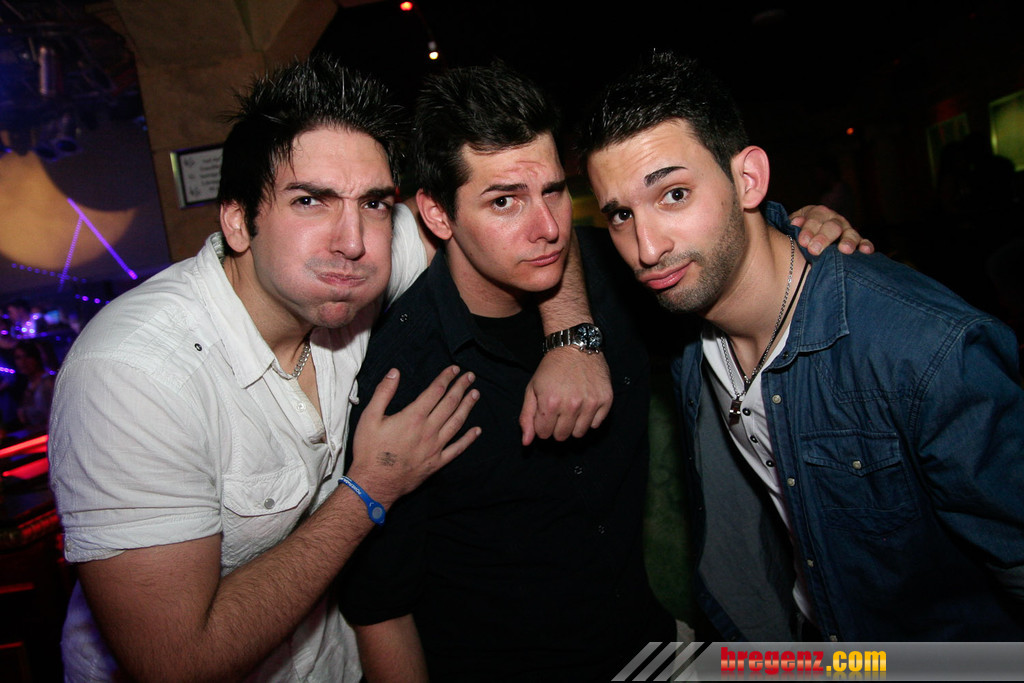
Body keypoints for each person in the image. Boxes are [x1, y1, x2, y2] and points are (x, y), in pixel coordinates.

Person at [48, 55, 601, 682]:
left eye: (374, 202)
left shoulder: (356, 261)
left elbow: (529, 230)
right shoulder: (133, 375)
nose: (353, 240)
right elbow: (177, 660)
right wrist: (370, 489)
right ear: (238, 220)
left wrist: (572, 338)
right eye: (310, 200)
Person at [337, 63, 865, 681]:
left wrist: (799, 229)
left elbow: (726, 254)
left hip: (649, 648)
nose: (547, 229)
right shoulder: (407, 368)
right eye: (504, 201)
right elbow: (381, 607)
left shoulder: (622, 272)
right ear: (437, 214)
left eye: (554, 191)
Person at [578, 52, 1024, 641]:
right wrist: (568, 341)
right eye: (620, 214)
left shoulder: (926, 350)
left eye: (675, 195)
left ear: (748, 179)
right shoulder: (686, 324)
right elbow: (541, 243)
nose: (647, 247)